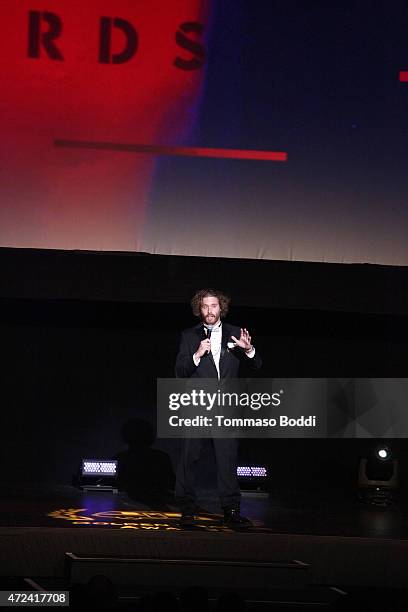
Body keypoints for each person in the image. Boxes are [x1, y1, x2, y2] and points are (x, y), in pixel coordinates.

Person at [175, 288, 262, 526]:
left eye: (214, 306)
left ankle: (231, 511)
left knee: (227, 460)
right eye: (204, 306)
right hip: (197, 407)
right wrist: (196, 354)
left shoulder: (236, 333)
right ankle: (187, 510)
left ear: (221, 307)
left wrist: (248, 350)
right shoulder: (189, 335)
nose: (209, 310)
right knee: (188, 460)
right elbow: (180, 371)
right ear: (198, 309)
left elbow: (257, 366)